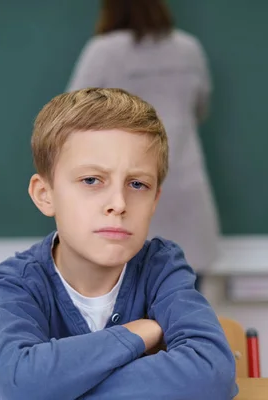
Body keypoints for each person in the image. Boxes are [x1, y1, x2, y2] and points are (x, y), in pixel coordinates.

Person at [0, 88, 237, 399]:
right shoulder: (14, 283)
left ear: (155, 200)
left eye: (137, 184)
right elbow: (21, 382)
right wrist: (138, 332)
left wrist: (51, 386)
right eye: (91, 180)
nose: (118, 203)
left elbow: (211, 374)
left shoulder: (162, 267)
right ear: (45, 195)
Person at [66, 0, 220, 291]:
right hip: (185, 198)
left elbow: (70, 118)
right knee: (182, 318)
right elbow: (200, 109)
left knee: (124, 323)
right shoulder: (188, 49)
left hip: (122, 201)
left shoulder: (104, 52)